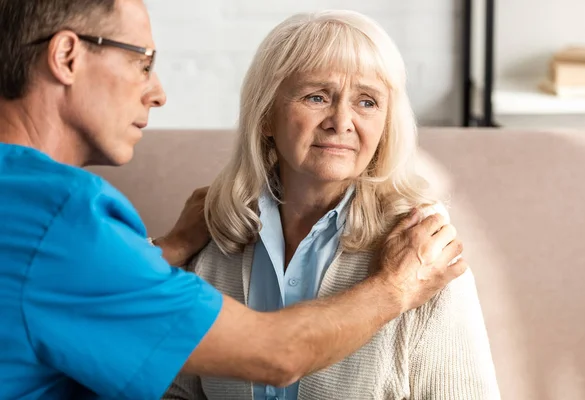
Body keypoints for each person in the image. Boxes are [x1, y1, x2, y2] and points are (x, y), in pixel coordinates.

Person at [0, 1, 467, 399]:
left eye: (368, 102)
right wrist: (397, 288)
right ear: (66, 56)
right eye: (142, 62)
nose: (159, 93)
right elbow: (278, 354)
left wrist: (171, 248)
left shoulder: (421, 241)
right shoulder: (64, 218)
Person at [164, 10, 499, 400]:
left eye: (367, 102)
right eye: (316, 97)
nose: (341, 121)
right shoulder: (214, 234)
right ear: (266, 115)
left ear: (386, 124)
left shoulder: (421, 250)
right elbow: (179, 391)